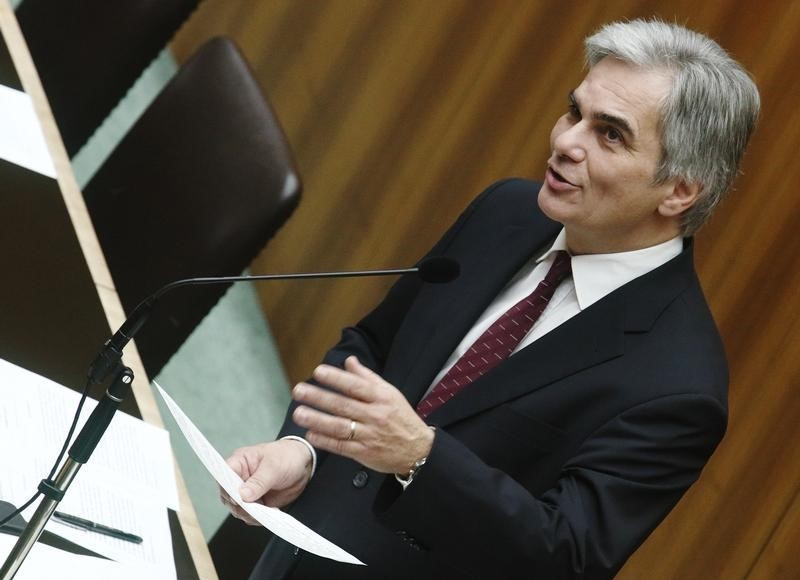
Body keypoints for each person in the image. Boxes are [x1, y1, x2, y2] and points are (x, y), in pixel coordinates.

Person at [222, 18, 759, 579]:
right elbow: (374, 348)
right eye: (575, 113)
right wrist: (301, 450)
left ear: (680, 190)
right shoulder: (505, 211)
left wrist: (422, 459)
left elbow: (561, 555)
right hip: (292, 539)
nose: (565, 142)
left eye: (611, 135)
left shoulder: (678, 385)